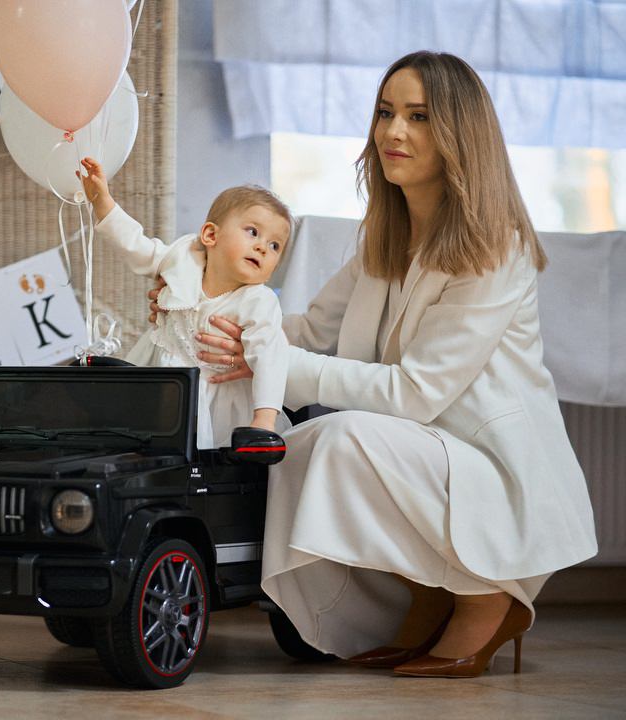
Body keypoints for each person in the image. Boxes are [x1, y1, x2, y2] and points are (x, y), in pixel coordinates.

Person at [159, 51, 598, 677]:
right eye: (385, 112)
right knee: (301, 445)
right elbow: (309, 331)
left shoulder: (495, 246)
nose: (393, 131)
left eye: (418, 116)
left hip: (492, 465)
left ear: (460, 133)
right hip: (427, 449)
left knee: (339, 438)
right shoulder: (384, 237)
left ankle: (487, 597)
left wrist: (265, 362)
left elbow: (417, 392)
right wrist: (210, 315)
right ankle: (429, 593)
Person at [79, 156, 291, 448]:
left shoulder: (259, 301)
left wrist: (264, 420)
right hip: (160, 383)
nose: (262, 247)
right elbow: (137, 246)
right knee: (136, 444)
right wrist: (103, 202)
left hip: (216, 401)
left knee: (204, 458)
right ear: (211, 235)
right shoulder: (182, 260)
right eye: (253, 232)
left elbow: (271, 359)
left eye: (275, 245)